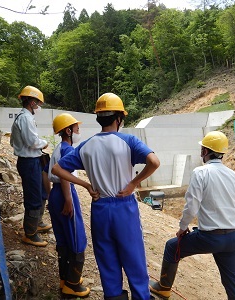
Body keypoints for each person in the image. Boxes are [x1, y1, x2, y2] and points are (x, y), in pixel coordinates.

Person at [52, 92, 160, 300]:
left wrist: (85, 184)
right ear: (119, 118)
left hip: (100, 208)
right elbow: (154, 162)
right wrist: (133, 184)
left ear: (99, 118)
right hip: (124, 206)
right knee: (134, 259)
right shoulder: (128, 141)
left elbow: (57, 169)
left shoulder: (86, 145)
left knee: (107, 261)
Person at [149, 131, 235, 300]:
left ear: (205, 152)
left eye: (202, 149)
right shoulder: (233, 175)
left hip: (209, 238)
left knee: (172, 247)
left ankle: (163, 288)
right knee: (232, 280)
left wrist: (182, 228)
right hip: (233, 237)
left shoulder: (201, 172)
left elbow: (192, 205)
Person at [47, 113, 90, 298]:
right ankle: (72, 284)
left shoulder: (57, 148)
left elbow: (44, 173)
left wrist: (51, 196)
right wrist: (68, 199)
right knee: (76, 238)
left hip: (55, 193)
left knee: (63, 239)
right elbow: (63, 173)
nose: (79, 132)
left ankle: (65, 278)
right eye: (77, 129)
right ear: (68, 130)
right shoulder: (67, 149)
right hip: (65, 193)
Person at [10, 85, 51, 247]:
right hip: (29, 162)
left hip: (33, 161)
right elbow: (32, 142)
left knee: (41, 191)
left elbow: (14, 141)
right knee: (33, 196)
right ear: (32, 102)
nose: (39, 106)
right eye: (38, 103)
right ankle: (30, 234)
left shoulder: (25, 117)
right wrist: (44, 143)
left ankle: (37, 222)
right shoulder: (25, 118)